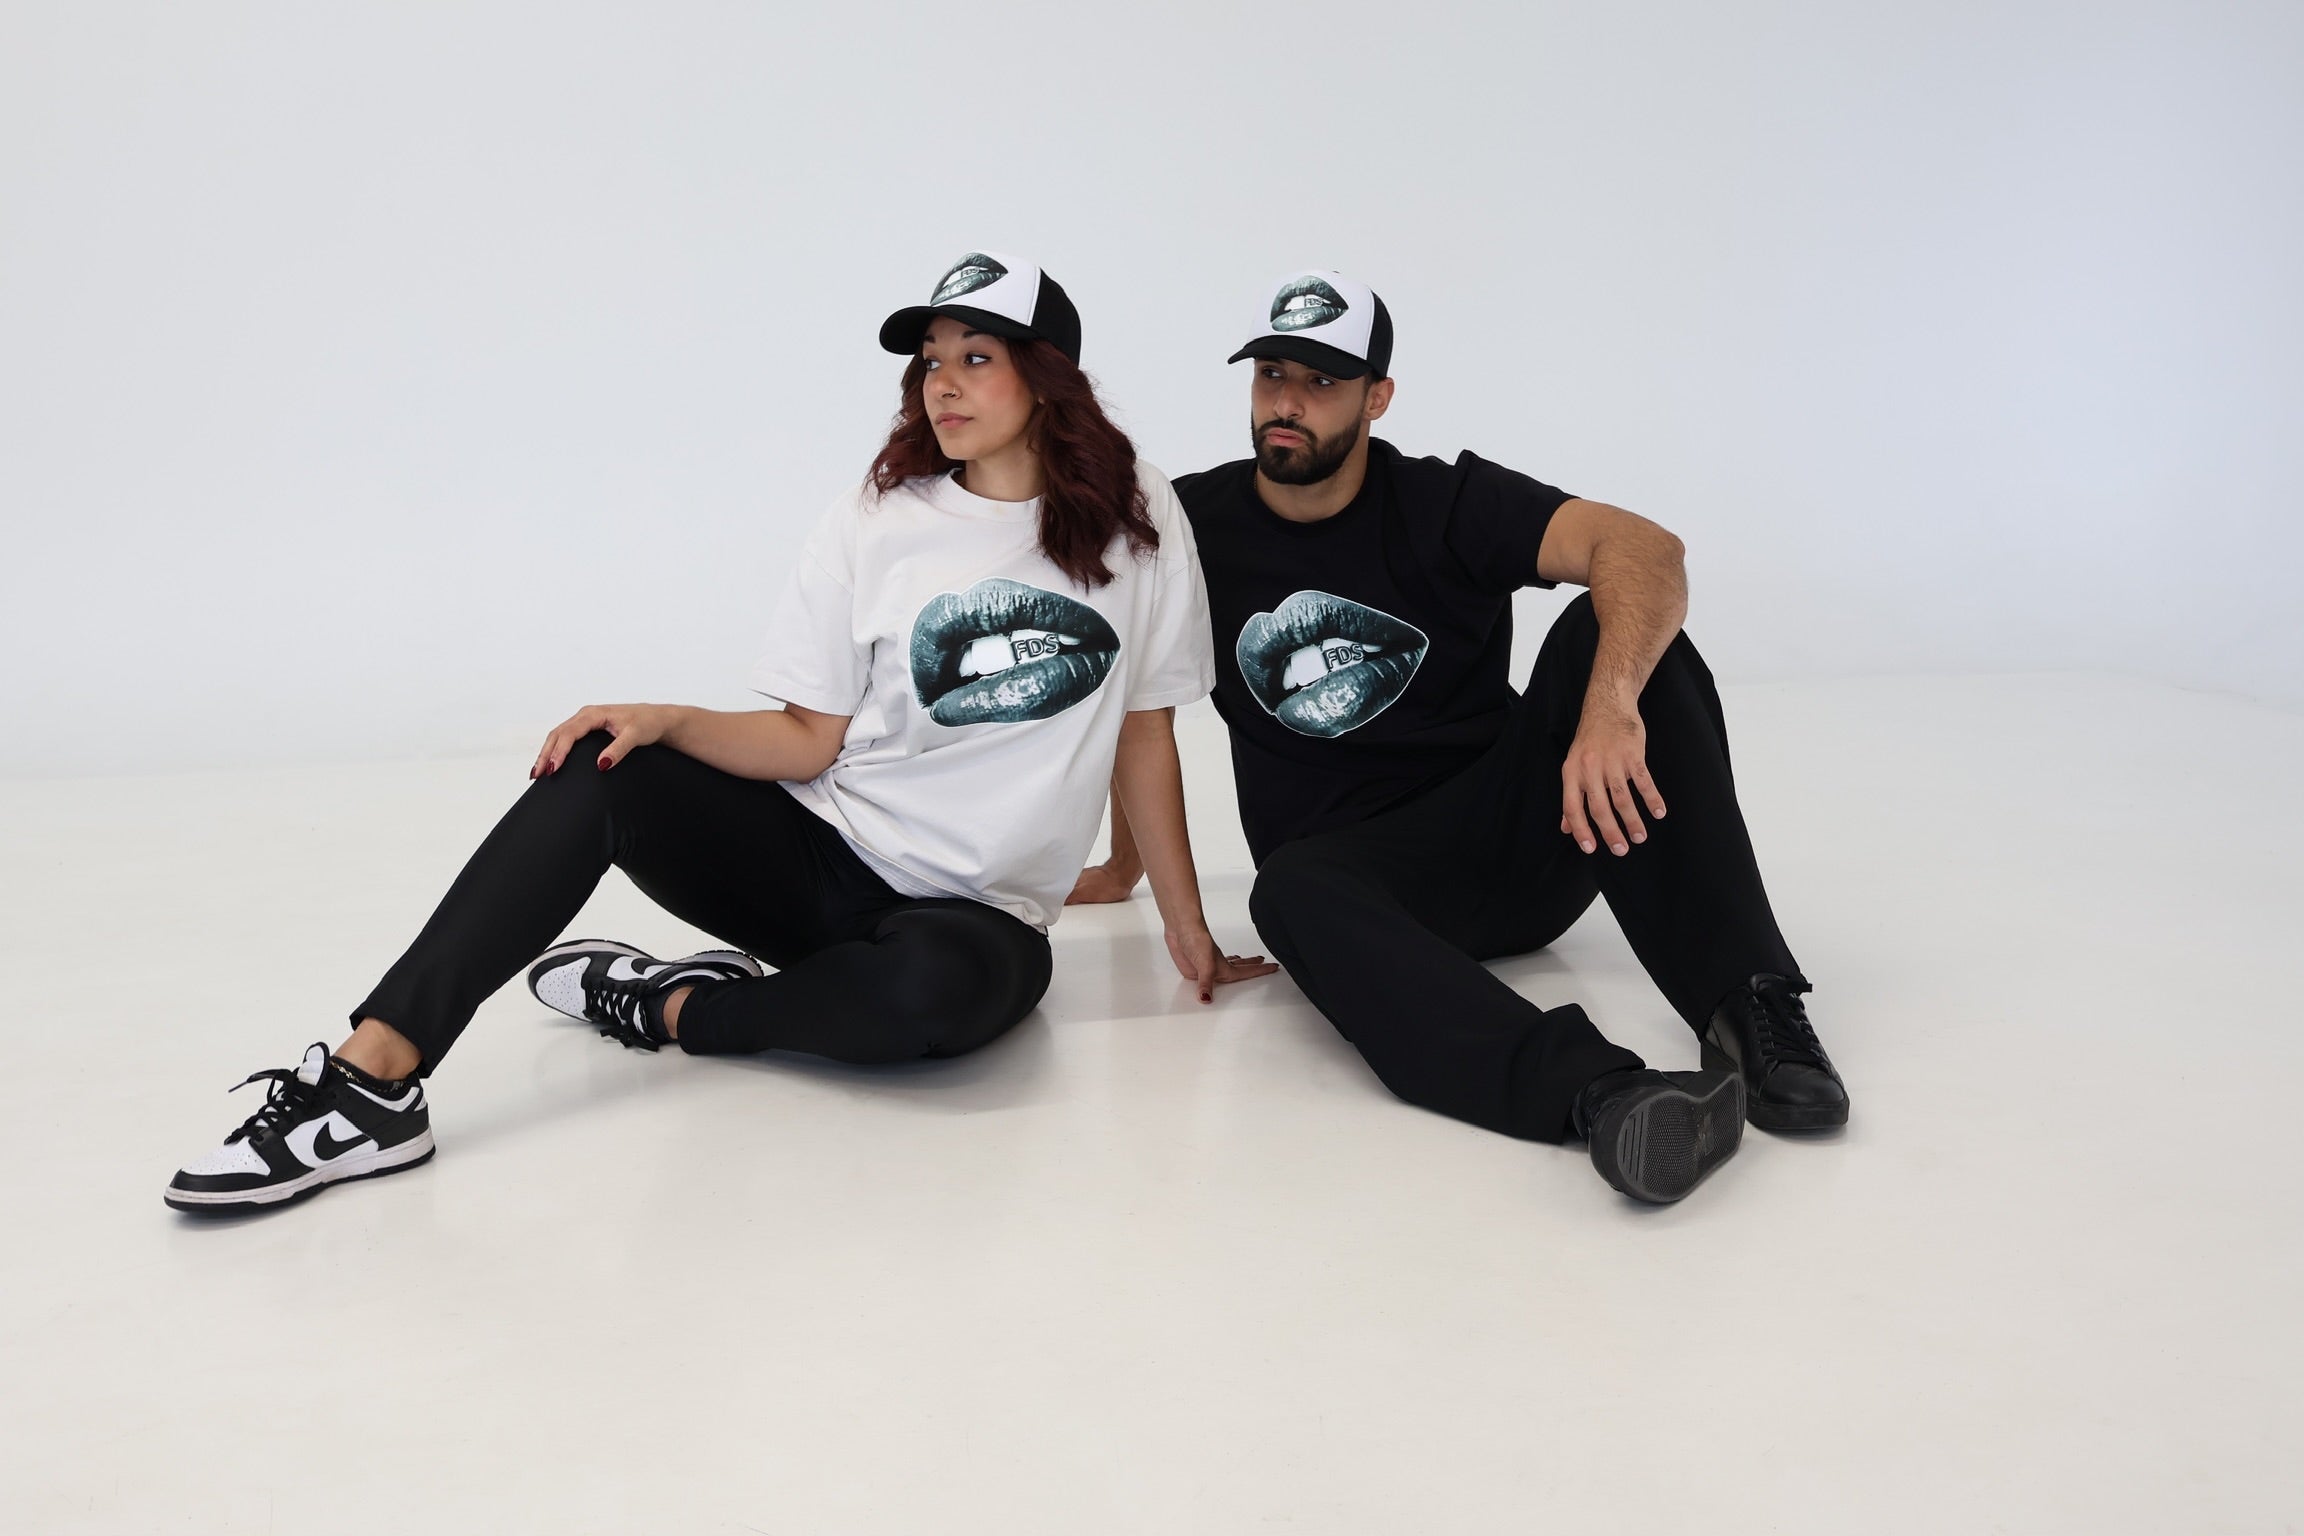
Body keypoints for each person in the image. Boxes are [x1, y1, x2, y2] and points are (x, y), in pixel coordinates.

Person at [166, 250, 1274, 1213]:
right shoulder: (881, 516)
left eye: (975, 358)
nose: (941, 383)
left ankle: (670, 1005)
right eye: (929, 361)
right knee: (603, 765)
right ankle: (371, 1082)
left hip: (973, 917)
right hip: (820, 860)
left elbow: (1143, 727)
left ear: (1049, 377)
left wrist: (1183, 927)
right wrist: (669, 720)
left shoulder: (1141, 516)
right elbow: (808, 740)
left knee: (935, 1009)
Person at [1073, 269, 1846, 1204]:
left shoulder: (1447, 502)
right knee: (1288, 890)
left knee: (1622, 635)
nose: (1288, 404)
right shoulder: (1190, 524)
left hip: (1521, 841)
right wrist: (1124, 868)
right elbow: (1137, 693)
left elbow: (1646, 549)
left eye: (1322, 381)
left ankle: (1749, 1008)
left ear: (1377, 397)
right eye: (1272, 375)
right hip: (1352, 887)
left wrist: (1608, 708)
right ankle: (1610, 1101)